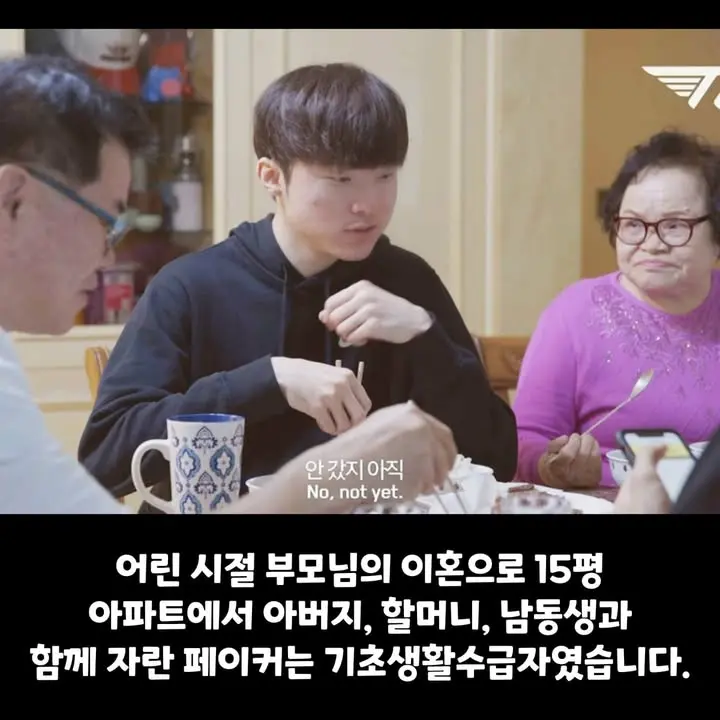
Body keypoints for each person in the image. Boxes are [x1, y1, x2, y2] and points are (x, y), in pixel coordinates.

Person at [0, 54, 453, 514]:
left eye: (385, 177)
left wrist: (426, 334)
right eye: (341, 180)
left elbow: (482, 455)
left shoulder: (408, 282)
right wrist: (274, 393)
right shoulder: (189, 286)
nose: (367, 204)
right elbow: (104, 459)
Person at [513, 130, 720, 491]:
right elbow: (524, 443)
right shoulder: (573, 315)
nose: (651, 244)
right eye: (634, 225)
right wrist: (555, 467)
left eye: (675, 226)